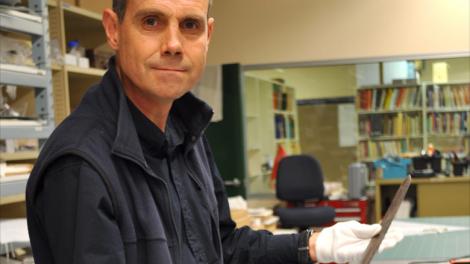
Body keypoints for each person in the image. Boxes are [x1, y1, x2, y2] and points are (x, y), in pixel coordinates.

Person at [26, 0, 402, 263]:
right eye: (152, 21)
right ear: (113, 29)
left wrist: (316, 245)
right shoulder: (80, 167)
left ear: (207, 35)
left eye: (189, 25)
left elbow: (223, 247)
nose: (173, 44)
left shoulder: (188, 136)